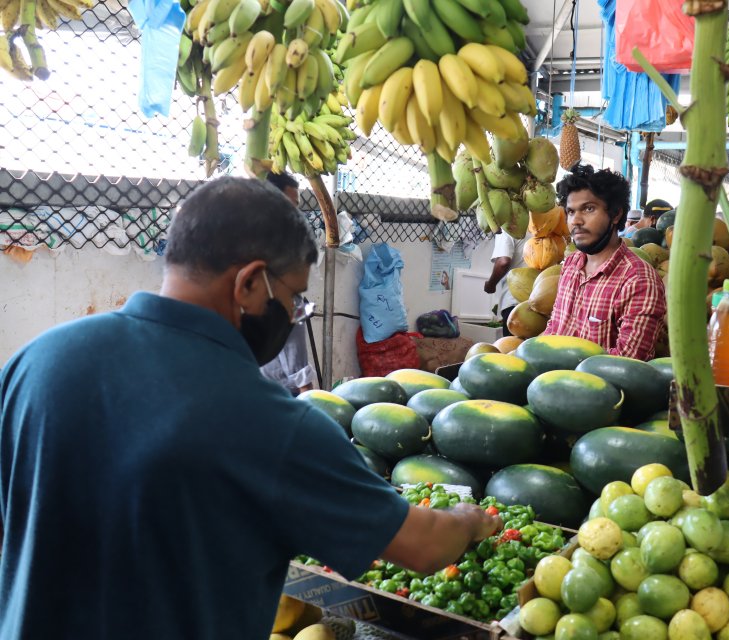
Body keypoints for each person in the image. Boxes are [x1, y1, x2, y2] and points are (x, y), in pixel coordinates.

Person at [0, 177, 500, 639]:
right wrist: (469, 519)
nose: (295, 314)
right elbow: (422, 546)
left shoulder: (35, 362)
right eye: (295, 297)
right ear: (250, 284)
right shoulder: (271, 424)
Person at [543, 164, 666, 360]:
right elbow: (554, 329)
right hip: (553, 384)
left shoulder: (639, 280)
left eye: (588, 209)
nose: (576, 221)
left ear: (616, 214)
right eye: (571, 212)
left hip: (602, 389)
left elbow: (629, 362)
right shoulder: (571, 265)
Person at [263, 170, 316, 395]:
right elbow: (290, 335)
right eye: (290, 205)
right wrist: (307, 390)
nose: (296, 214)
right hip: (280, 387)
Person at [484, 229, 529, 334]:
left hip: (516, 303)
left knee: (512, 348)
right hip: (542, 301)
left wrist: (491, 284)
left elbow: (503, 262)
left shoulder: (507, 228)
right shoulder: (544, 226)